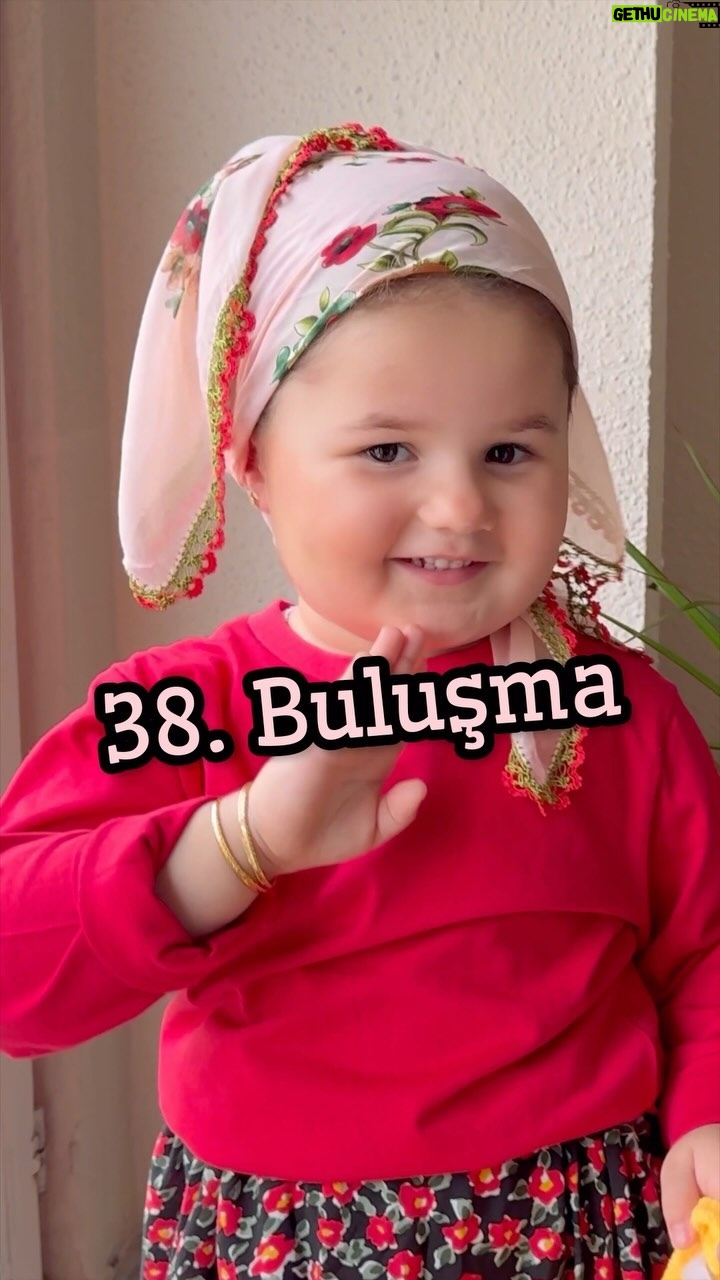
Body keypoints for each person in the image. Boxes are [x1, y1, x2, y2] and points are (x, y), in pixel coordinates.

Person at [1, 123, 718, 1280]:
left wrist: (706, 1110)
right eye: (388, 451)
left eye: (509, 452)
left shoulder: (619, 713)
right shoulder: (189, 709)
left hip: (583, 1227)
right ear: (254, 463)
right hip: (280, 1242)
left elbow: (705, 951)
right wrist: (236, 842)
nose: (459, 506)